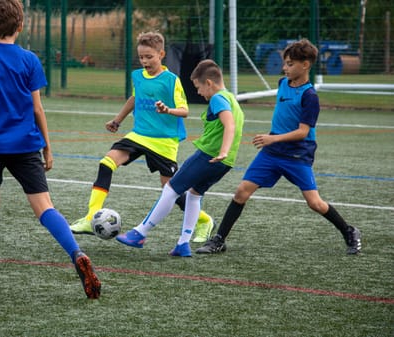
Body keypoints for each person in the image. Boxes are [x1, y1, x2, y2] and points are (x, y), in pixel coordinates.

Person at [0, 0, 101, 299]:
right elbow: (38, 108)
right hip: (26, 145)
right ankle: (77, 253)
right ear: (20, 26)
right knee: (45, 207)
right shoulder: (29, 59)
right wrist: (48, 148)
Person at [196, 39, 362, 255]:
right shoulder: (283, 84)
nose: (285, 68)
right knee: (241, 192)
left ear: (306, 65)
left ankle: (349, 231)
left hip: (297, 155)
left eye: (290, 64)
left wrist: (272, 139)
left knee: (315, 203)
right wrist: (272, 141)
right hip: (272, 154)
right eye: (285, 63)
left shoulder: (310, 96)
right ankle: (219, 240)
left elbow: (303, 132)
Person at [70, 31, 215, 243]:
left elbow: (184, 110)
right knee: (106, 162)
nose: (145, 61)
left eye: (149, 57)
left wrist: (168, 110)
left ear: (161, 54)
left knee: (171, 192)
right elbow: (134, 98)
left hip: (164, 142)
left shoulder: (171, 80)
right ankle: (91, 216)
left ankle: (204, 221)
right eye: (141, 57)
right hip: (138, 135)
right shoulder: (137, 76)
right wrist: (118, 120)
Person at [116, 59, 244, 257]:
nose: (199, 93)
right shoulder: (232, 99)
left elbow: (229, 125)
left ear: (209, 83)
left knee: (171, 189)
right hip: (225, 164)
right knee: (194, 195)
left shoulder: (218, 99)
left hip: (209, 155)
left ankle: (140, 232)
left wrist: (223, 150)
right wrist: (226, 154)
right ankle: (183, 244)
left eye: (198, 88)